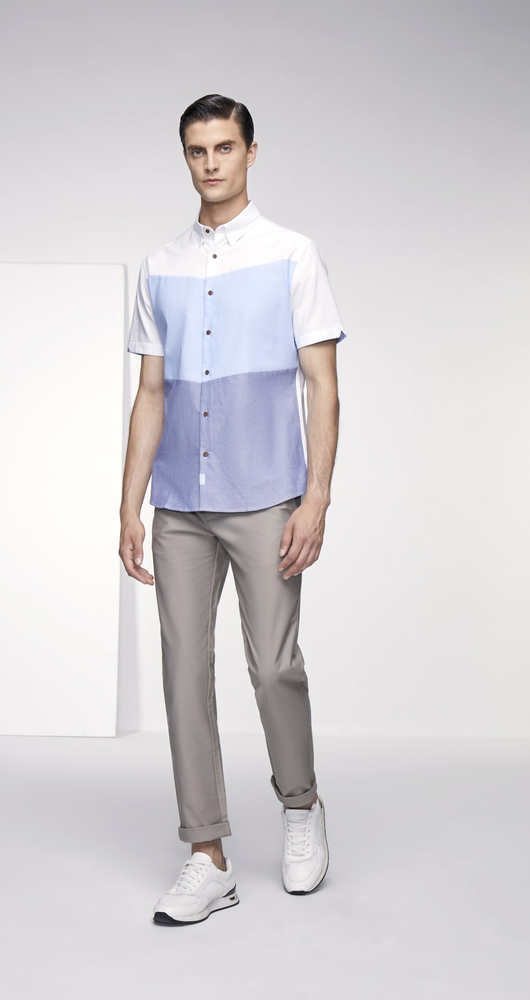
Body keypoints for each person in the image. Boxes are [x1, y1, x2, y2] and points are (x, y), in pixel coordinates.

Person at [119, 94, 347, 925]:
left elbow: (322, 384)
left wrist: (316, 496)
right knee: (183, 671)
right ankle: (207, 853)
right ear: (185, 158)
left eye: (223, 147)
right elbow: (151, 394)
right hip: (181, 501)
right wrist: (129, 505)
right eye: (196, 150)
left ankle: (301, 805)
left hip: (266, 495)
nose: (210, 163)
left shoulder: (292, 255)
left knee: (274, 666)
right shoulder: (159, 266)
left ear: (251, 152)